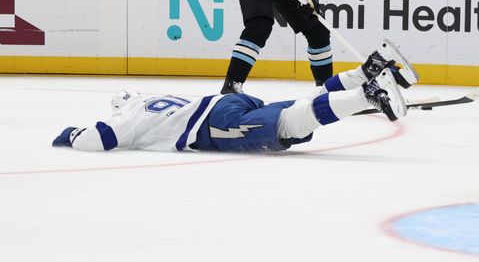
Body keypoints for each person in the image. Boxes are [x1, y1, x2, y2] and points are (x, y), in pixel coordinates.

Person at [52, 47, 416, 154]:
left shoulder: (129, 116)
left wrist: (69, 134)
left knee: (289, 126)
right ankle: (365, 71)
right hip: (225, 103)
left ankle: (366, 92)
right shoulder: (156, 98)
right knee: (302, 106)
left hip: (213, 126)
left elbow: (99, 138)